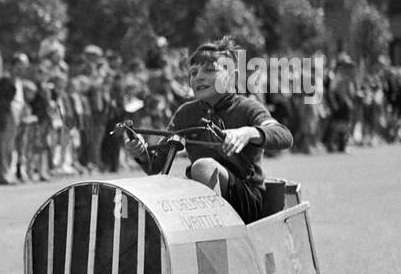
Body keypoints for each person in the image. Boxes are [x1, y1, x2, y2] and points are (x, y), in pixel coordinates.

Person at [121, 38, 292, 224]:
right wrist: (142, 154)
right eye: (193, 73)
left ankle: (211, 234)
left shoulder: (248, 107)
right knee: (175, 187)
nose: (198, 77)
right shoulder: (185, 113)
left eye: (210, 70)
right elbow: (158, 168)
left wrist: (247, 133)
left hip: (246, 203)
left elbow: (283, 135)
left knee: (203, 167)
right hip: (200, 199)